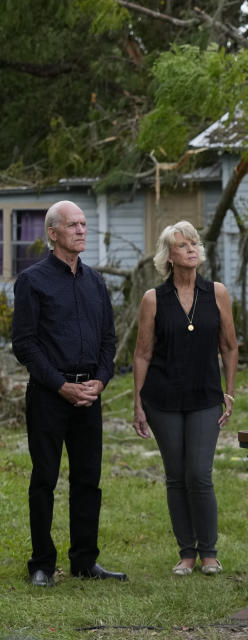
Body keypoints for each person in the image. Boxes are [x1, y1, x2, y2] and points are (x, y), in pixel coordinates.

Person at [11, 200, 125, 587]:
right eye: (73, 225)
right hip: (49, 394)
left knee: (88, 479)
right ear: (52, 233)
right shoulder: (32, 281)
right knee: (45, 477)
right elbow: (24, 344)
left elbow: (108, 341)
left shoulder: (95, 282)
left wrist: (101, 380)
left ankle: (84, 561)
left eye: (83, 224)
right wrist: (60, 385)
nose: (81, 230)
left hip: (89, 395)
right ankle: (42, 564)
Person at [132, 221, 239, 577]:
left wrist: (230, 390)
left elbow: (229, 346)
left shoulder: (217, 293)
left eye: (194, 243)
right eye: (182, 245)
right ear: (168, 256)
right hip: (162, 398)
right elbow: (143, 352)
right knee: (176, 475)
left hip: (206, 395)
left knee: (199, 473)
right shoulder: (153, 299)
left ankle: (209, 553)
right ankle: (186, 554)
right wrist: (137, 403)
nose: (191, 248)